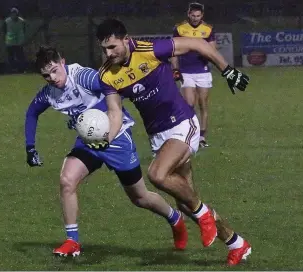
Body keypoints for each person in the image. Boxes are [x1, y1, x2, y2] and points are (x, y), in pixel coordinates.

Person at [95, 18, 251, 266]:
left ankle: (204, 217)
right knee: (188, 202)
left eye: (113, 47)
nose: (108, 53)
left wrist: (226, 69)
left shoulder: (150, 50)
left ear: (126, 39)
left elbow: (198, 44)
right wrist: (105, 140)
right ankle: (237, 243)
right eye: (104, 49)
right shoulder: (106, 75)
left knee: (157, 174)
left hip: (182, 124)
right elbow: (114, 114)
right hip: (159, 138)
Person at [25, 45, 190, 257]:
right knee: (67, 180)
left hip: (117, 138)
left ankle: (174, 218)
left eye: (55, 70)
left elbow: (111, 86)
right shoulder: (50, 92)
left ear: (63, 62)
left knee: (139, 197)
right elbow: (32, 112)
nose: (52, 78)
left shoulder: (83, 77)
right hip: (88, 142)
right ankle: (72, 242)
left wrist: (97, 117)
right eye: (46, 75)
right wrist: (30, 146)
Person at [171, 2, 215, 148]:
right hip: (186, 72)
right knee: (189, 105)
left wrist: (205, 53)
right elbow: (174, 50)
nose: (195, 18)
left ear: (202, 15)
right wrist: (175, 69)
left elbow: (212, 50)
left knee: (203, 105)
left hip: (203, 72)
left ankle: (202, 137)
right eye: (193, 15)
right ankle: (192, 134)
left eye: (198, 16)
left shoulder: (208, 29)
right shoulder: (180, 29)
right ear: (188, 14)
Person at [3, 7, 26, 73]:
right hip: (10, 42)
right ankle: (12, 69)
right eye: (13, 14)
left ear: (17, 14)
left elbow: (24, 30)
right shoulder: (7, 21)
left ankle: (21, 70)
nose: (14, 15)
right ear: (11, 14)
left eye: (15, 14)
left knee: (20, 57)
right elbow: (4, 30)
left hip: (19, 42)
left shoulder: (22, 21)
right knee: (11, 57)